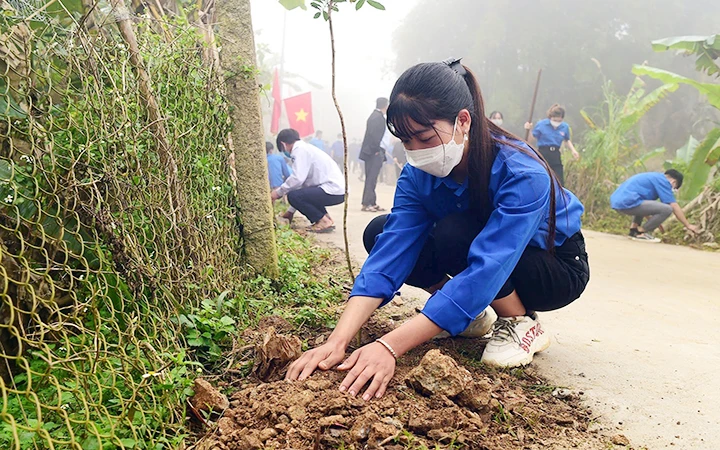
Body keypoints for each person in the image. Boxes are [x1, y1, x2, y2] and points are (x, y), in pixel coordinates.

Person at [286, 59, 589, 400]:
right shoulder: (417, 174)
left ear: (463, 121)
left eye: (424, 137)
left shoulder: (521, 171)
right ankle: (464, 314)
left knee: (456, 231)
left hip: (551, 266)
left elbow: (491, 264)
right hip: (483, 251)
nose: (415, 151)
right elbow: (391, 252)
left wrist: (388, 347)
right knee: (380, 231)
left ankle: (519, 323)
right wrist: (337, 341)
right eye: (405, 141)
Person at [272, 128, 345, 233]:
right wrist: (290, 212)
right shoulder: (306, 148)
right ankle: (326, 219)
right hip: (336, 190)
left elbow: (297, 179)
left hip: (332, 189)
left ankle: (322, 221)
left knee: (292, 195)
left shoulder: (299, 151)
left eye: (283, 150)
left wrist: (278, 193)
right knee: (303, 194)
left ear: (283, 144)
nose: (285, 153)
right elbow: (302, 187)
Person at [610, 169, 699, 242]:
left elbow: (643, 207)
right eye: (674, 189)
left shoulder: (654, 176)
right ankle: (641, 232)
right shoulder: (664, 181)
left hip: (618, 202)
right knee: (667, 209)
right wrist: (688, 225)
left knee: (641, 201)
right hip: (627, 202)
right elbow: (674, 205)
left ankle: (633, 230)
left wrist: (654, 221)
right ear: (673, 182)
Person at [524, 104, 579, 185]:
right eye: (555, 120)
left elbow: (566, 140)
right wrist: (529, 130)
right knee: (542, 178)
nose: (556, 123)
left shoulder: (564, 127)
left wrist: (573, 150)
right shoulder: (541, 125)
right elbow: (530, 139)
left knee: (559, 181)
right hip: (543, 153)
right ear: (550, 117)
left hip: (556, 154)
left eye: (559, 121)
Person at [359, 98, 389, 212]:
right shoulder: (377, 118)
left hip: (374, 151)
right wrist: (376, 149)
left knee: (372, 178)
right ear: (385, 105)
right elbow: (374, 136)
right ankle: (367, 204)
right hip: (374, 152)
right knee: (371, 178)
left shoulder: (376, 116)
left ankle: (372, 201)